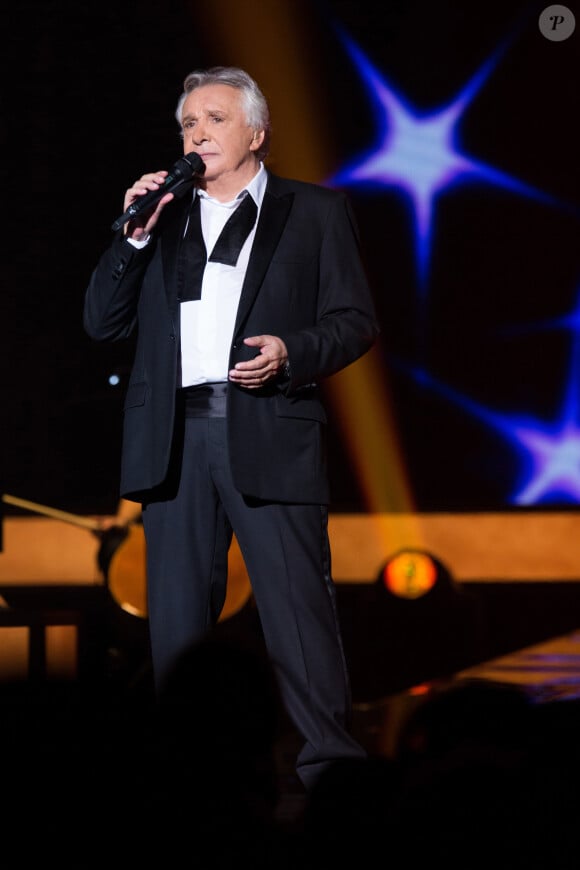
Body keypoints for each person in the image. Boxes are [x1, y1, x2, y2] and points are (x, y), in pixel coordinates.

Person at [83, 65, 380, 791]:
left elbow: (354, 322)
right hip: (176, 441)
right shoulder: (163, 217)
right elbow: (100, 322)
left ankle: (330, 779)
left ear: (256, 131)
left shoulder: (313, 212)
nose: (197, 134)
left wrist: (291, 353)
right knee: (177, 630)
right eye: (187, 123)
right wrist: (132, 238)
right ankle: (188, 789)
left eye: (214, 119)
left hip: (268, 425)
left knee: (298, 620)